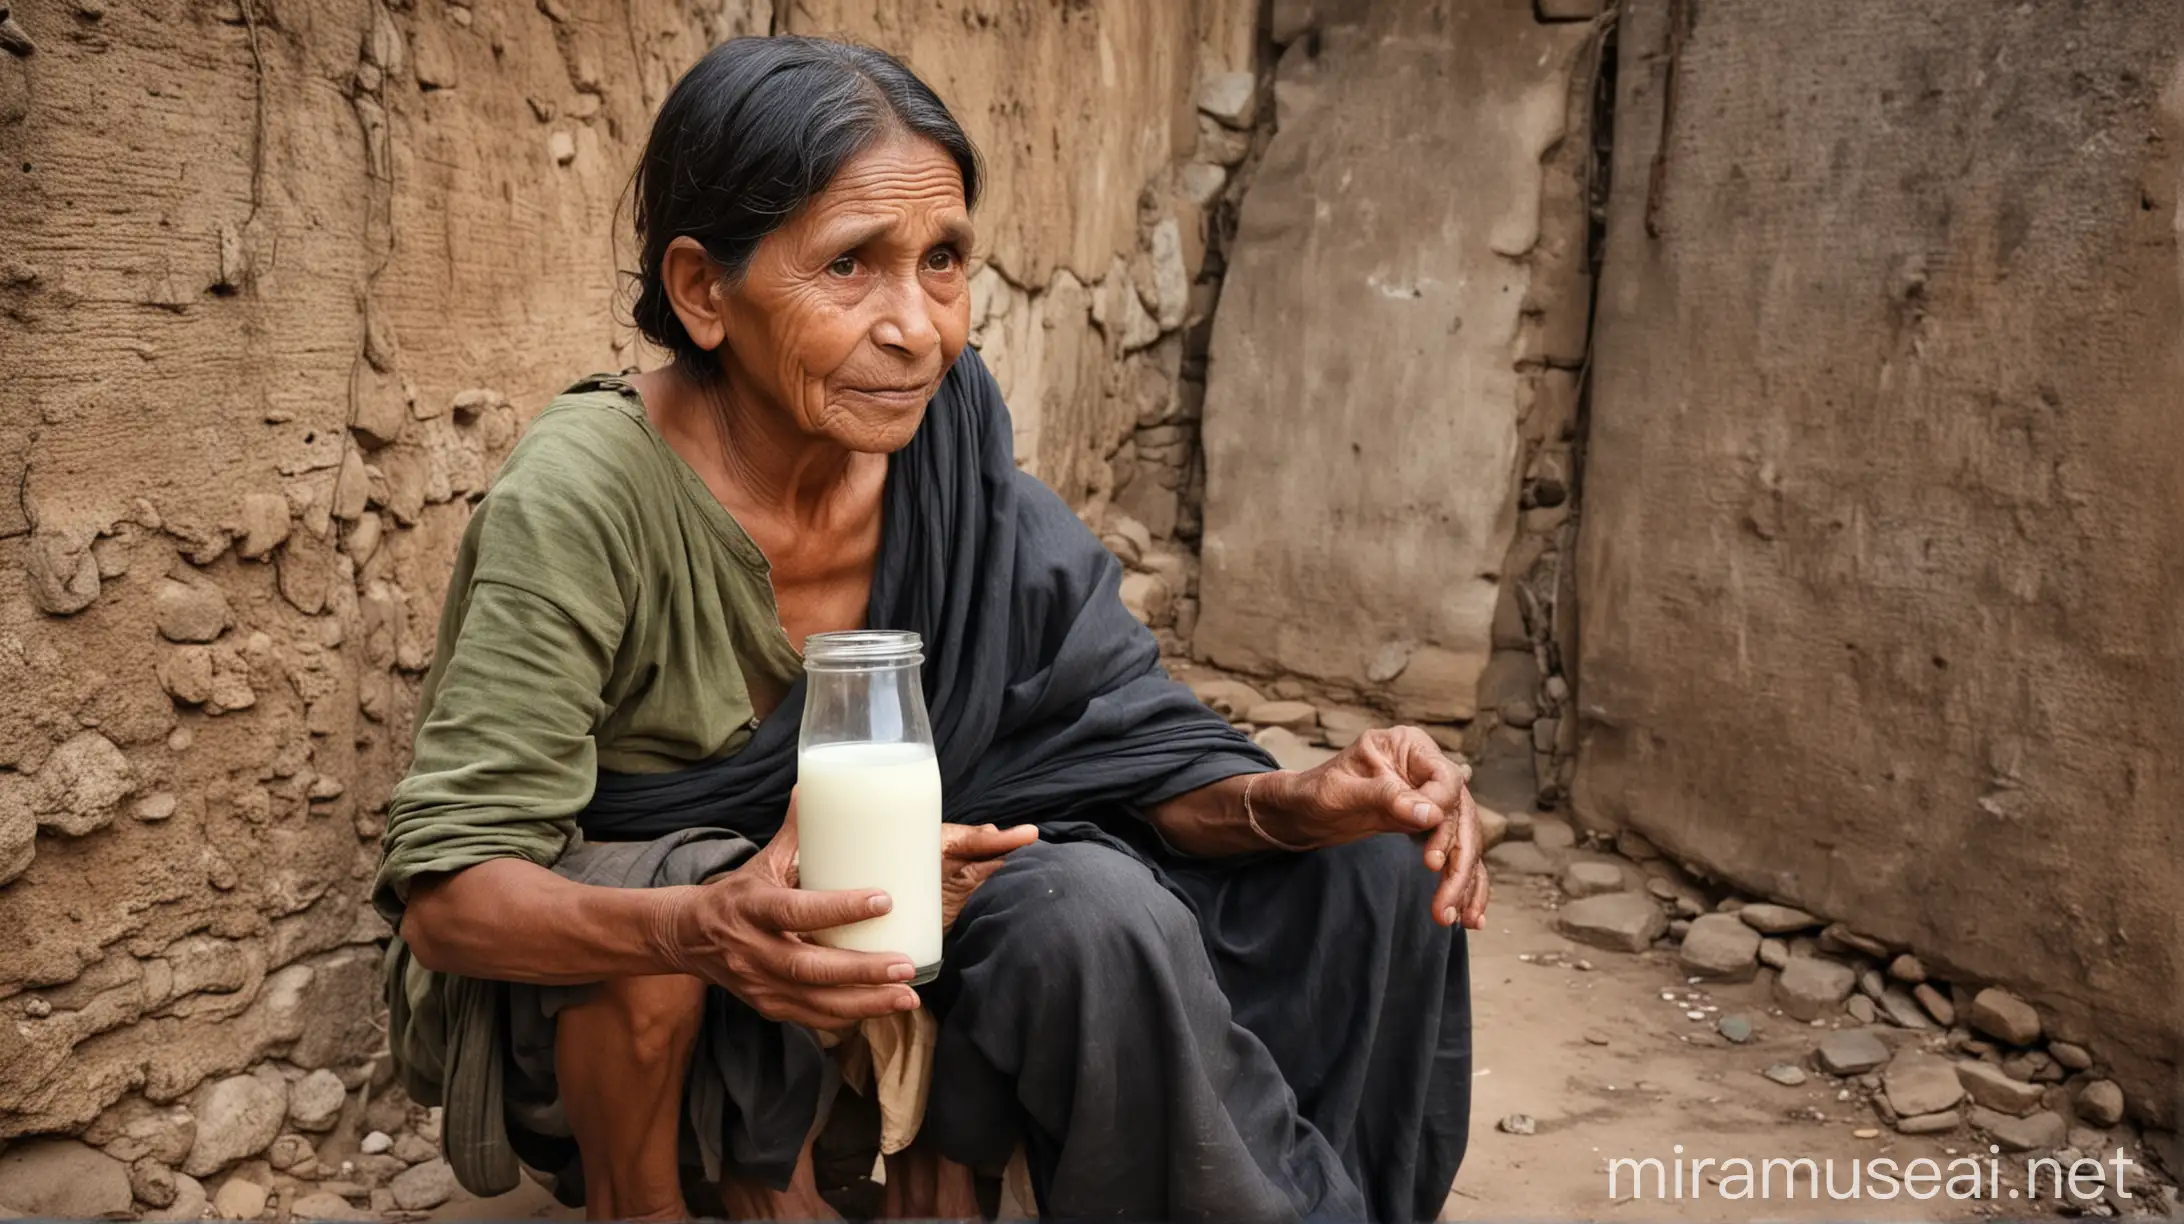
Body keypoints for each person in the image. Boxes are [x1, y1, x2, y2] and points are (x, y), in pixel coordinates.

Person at [375, 34, 1489, 1224]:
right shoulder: (588, 494)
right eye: (851, 265)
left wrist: (1302, 802)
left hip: (896, 917)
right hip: (648, 997)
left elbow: (1102, 738)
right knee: (692, 891)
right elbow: (450, 896)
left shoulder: (945, 445)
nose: (918, 327)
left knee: (1343, 870)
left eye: (943, 260)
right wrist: (704, 923)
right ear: (705, 291)